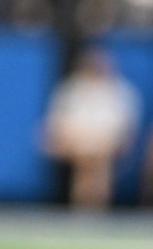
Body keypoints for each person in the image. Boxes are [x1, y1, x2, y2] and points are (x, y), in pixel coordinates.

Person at [42, 46, 142, 208]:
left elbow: (125, 129)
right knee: (88, 159)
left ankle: (92, 208)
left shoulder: (121, 92)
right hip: (74, 144)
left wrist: (98, 144)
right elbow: (56, 124)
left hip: (106, 146)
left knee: (97, 161)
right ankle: (87, 209)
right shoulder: (71, 89)